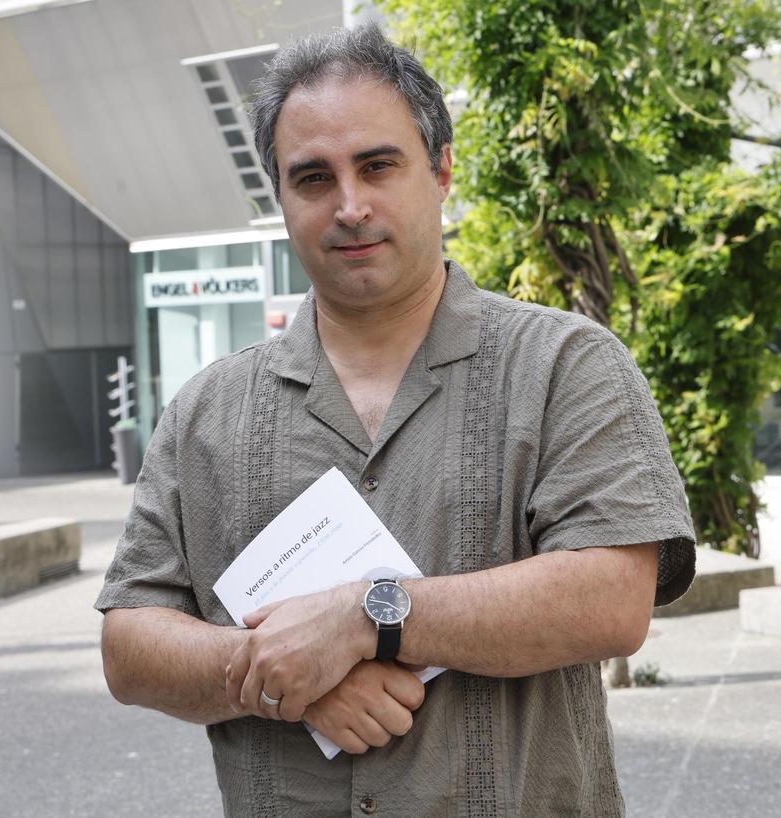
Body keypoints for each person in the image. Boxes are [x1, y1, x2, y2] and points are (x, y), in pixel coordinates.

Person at [96, 22, 696, 817]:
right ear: (279, 196)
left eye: (378, 166)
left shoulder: (565, 365)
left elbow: (613, 599)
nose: (350, 206)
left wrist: (366, 616)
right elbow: (129, 646)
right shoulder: (205, 412)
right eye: (312, 179)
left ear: (442, 169)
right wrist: (277, 670)